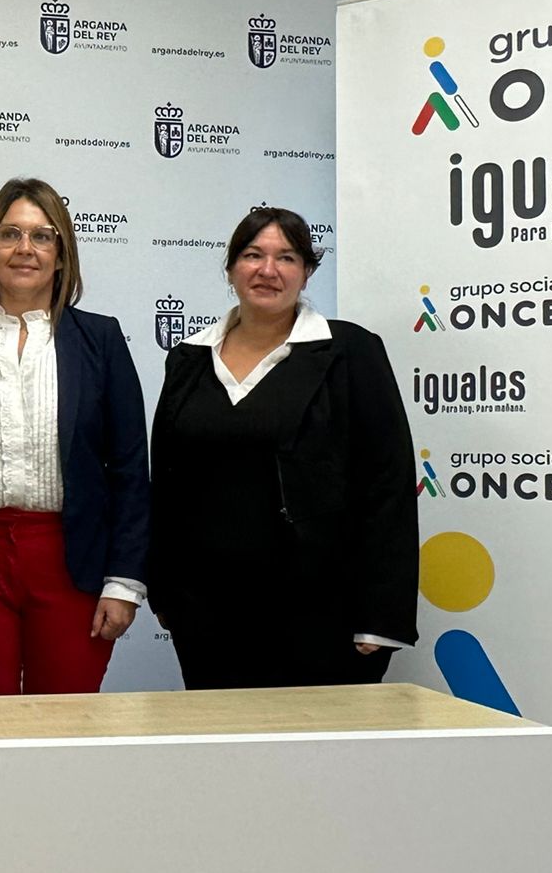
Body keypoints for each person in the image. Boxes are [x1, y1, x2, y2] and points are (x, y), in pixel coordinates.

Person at [148, 207, 417, 688]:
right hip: (208, 612)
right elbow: (166, 481)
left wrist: (383, 615)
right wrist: (166, 592)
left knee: (319, 758)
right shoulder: (188, 359)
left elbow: (388, 483)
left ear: (307, 271)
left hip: (322, 612)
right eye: (253, 255)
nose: (268, 270)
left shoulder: (350, 351)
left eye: (286, 257)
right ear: (231, 269)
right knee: (226, 753)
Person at [0, 178, 147, 695]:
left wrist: (124, 581)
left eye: (42, 237)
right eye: (10, 235)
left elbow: (131, 470)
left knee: (65, 732)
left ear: (62, 255)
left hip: (74, 565)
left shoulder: (101, 340)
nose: (25, 249)